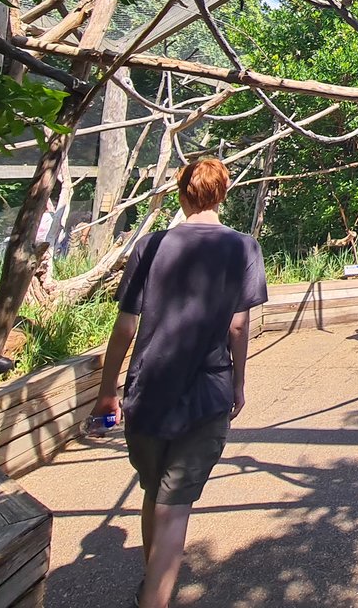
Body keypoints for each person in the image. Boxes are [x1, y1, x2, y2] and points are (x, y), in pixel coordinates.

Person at [90, 157, 268, 608]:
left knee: (155, 491)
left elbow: (125, 328)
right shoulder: (242, 247)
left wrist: (107, 393)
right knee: (174, 508)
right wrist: (239, 384)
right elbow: (237, 327)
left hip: (147, 392)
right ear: (222, 193)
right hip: (207, 392)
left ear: (182, 192)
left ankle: (153, 583)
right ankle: (155, 597)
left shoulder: (149, 246)